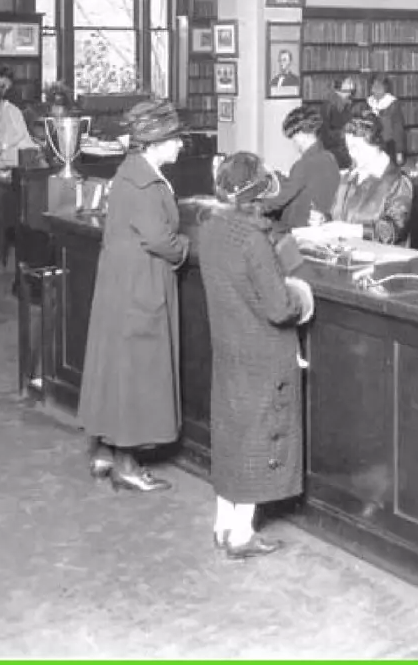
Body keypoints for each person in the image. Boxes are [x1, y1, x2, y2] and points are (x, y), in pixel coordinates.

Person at [198, 152, 316, 560]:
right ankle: (242, 535)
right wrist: (301, 295)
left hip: (229, 347)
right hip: (263, 352)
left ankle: (223, 524)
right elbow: (279, 307)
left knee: (231, 433)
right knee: (259, 436)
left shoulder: (211, 229)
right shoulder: (253, 240)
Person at [79, 98, 190, 494]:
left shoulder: (130, 171)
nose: (180, 145)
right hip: (141, 285)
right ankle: (127, 464)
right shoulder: (146, 182)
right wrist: (186, 249)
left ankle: (104, 451)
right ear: (157, 142)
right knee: (136, 372)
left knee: (115, 367)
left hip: (119, 284)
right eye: (175, 139)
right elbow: (160, 239)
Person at [328, 109, 413, 243]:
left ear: (375, 144)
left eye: (357, 148)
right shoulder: (349, 178)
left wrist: (351, 230)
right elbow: (336, 216)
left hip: (383, 260)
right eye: (349, 149)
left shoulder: (397, 181)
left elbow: (393, 231)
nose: (352, 155)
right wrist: (323, 220)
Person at [263, 102, 339, 235]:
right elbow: (304, 185)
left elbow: (279, 200)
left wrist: (249, 205)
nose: (294, 142)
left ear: (303, 134)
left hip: (298, 230)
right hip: (321, 226)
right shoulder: (329, 158)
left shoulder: (304, 164)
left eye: (293, 137)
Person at [0, 66, 39, 169]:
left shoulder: (10, 100)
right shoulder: (5, 99)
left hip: (19, 149)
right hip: (11, 144)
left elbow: (17, 131)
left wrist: (4, 146)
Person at [321, 75, 363, 169]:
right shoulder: (330, 106)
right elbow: (325, 134)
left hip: (345, 149)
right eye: (348, 83)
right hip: (335, 153)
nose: (351, 84)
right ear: (339, 89)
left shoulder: (345, 104)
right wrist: (345, 132)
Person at [366, 75, 406, 161]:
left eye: (377, 87)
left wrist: (399, 151)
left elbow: (398, 129)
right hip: (371, 145)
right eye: (372, 87)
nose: (373, 90)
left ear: (385, 88)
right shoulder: (370, 102)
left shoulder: (392, 104)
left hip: (388, 145)